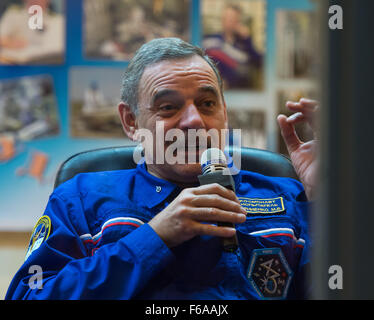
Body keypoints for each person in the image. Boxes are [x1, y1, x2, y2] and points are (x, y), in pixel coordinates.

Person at [5, 38, 317, 300]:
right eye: (168, 107)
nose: (194, 121)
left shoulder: (287, 197)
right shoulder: (80, 200)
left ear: (225, 112)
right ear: (131, 121)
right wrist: (154, 238)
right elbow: (29, 294)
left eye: (207, 104)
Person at [202, 4, 263, 89]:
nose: (228, 21)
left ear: (238, 22)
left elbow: (259, 63)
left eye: (233, 18)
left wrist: (247, 38)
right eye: (226, 18)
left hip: (241, 92)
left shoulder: (245, 43)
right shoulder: (210, 40)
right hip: (216, 91)